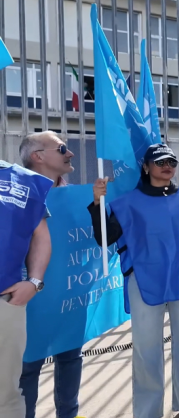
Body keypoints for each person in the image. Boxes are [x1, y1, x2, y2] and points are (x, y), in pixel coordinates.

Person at [88, 144, 179, 418]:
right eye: (159, 162)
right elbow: (105, 238)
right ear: (146, 167)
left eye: (171, 161)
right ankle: (147, 411)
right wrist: (97, 204)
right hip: (144, 281)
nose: (167, 165)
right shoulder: (125, 203)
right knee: (146, 349)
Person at [16, 132, 83, 418]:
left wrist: (96, 204)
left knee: (70, 356)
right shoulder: (15, 194)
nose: (70, 154)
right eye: (62, 148)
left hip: (68, 294)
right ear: (38, 156)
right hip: (29, 297)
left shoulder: (75, 196)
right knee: (28, 366)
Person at [0, 159, 52, 418]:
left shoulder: (24, 181)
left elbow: (40, 235)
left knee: (5, 392)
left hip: (6, 302)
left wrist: (34, 282)